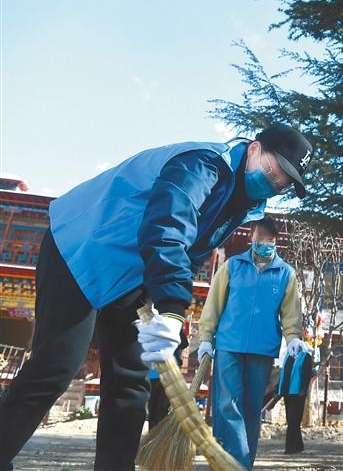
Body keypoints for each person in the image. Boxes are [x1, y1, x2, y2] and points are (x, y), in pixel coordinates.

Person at [0, 124, 313, 471]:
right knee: (56, 367)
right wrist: (173, 305)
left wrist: (161, 306)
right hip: (81, 246)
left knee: (131, 381)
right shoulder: (204, 164)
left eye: (282, 182)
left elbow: (192, 251)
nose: (273, 183)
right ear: (254, 148)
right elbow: (167, 226)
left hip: (133, 273)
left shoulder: (242, 203)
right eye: (272, 170)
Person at [196, 216, 309, 469]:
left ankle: (240, 464)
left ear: (276, 241)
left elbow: (291, 313)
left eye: (269, 241)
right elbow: (213, 305)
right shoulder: (232, 267)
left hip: (262, 349)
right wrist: (205, 338)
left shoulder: (285, 274)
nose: (264, 244)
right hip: (228, 346)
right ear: (251, 238)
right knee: (228, 405)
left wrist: (293, 339)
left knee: (251, 409)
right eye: (260, 239)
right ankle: (235, 464)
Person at [146, 330, 188, 429]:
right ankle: (156, 440)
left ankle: (154, 438)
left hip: (153, 375)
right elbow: (183, 343)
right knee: (162, 412)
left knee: (154, 411)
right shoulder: (171, 325)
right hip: (167, 375)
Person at [277, 346, 314, 454]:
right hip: (287, 392)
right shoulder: (288, 355)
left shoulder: (305, 356)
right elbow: (284, 372)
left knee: (294, 420)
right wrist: (279, 389)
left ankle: (290, 448)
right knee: (291, 420)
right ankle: (299, 446)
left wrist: (303, 389)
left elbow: (307, 374)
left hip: (298, 393)